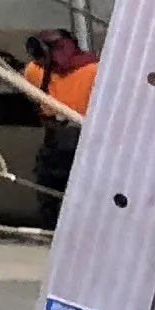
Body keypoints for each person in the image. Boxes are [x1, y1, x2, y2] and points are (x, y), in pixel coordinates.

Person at [22, 29, 98, 221]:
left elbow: (32, 93)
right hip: (83, 137)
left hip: (61, 136)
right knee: (81, 190)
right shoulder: (95, 67)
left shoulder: (35, 69)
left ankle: (54, 226)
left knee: (51, 189)